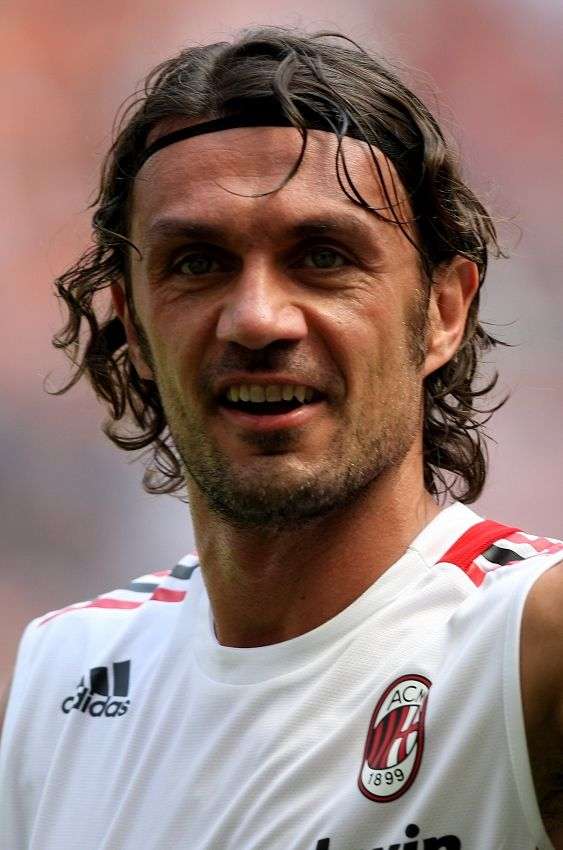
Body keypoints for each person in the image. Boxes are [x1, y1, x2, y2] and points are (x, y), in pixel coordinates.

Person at [0, 25, 562, 850]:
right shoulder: (63, 672)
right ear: (133, 324)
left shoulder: (528, 640)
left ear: (442, 312)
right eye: (197, 263)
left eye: (323, 257)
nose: (257, 319)